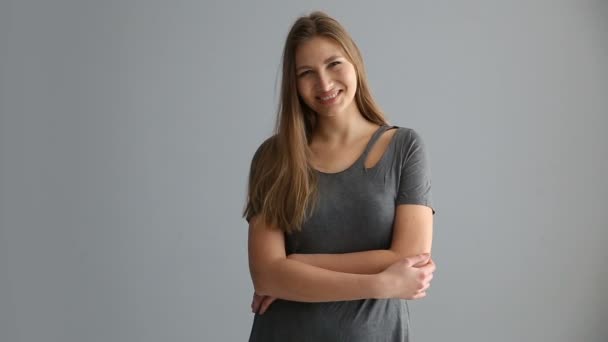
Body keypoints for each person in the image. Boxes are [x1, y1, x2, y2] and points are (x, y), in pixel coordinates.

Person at [242, 10, 436, 342]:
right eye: (307, 73)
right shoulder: (274, 158)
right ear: (295, 84)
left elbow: (409, 258)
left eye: (334, 64)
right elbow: (266, 276)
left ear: (354, 62)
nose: (324, 84)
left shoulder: (404, 148)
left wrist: (299, 263)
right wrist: (380, 282)